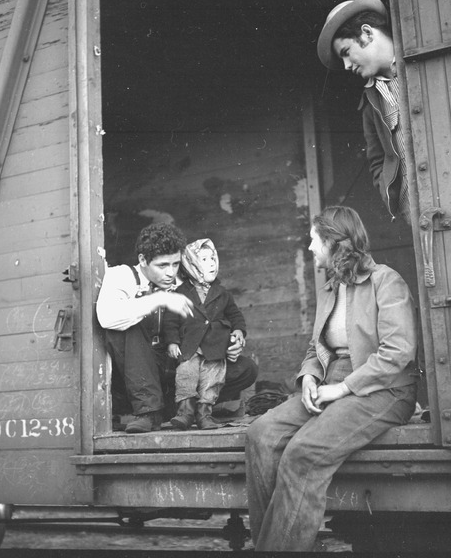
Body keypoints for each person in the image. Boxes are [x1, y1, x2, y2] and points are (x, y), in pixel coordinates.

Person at [245, 205, 419, 551]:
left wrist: (342, 388)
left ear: (332, 241)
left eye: (313, 240)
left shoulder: (385, 281)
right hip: (332, 384)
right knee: (260, 434)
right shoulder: (329, 289)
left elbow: (398, 351)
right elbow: (316, 347)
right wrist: (309, 378)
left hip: (384, 389)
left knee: (303, 452)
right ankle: (276, 543)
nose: (309, 248)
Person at [96, 222, 258, 434]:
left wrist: (228, 345)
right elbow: (107, 318)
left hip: (177, 364)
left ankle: (182, 409)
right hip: (138, 371)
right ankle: (148, 411)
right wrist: (158, 299)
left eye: (175, 264)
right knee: (128, 327)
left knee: (245, 369)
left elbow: (212, 319)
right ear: (143, 260)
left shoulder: (185, 280)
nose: (171, 272)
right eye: (162, 266)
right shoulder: (122, 276)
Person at [317, 0, 411, 224]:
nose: (347, 66)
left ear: (367, 33)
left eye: (346, 52)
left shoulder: (421, 63)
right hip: (415, 215)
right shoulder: (369, 103)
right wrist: (400, 203)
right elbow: (377, 161)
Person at [163, 238, 247, 430]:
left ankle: (204, 415)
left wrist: (239, 331)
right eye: (204, 259)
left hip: (215, 347)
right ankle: (185, 413)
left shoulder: (223, 293)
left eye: (213, 259)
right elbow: (170, 322)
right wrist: (172, 343)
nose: (211, 264)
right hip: (190, 346)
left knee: (213, 379)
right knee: (186, 375)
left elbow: (236, 315)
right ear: (190, 264)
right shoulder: (180, 293)